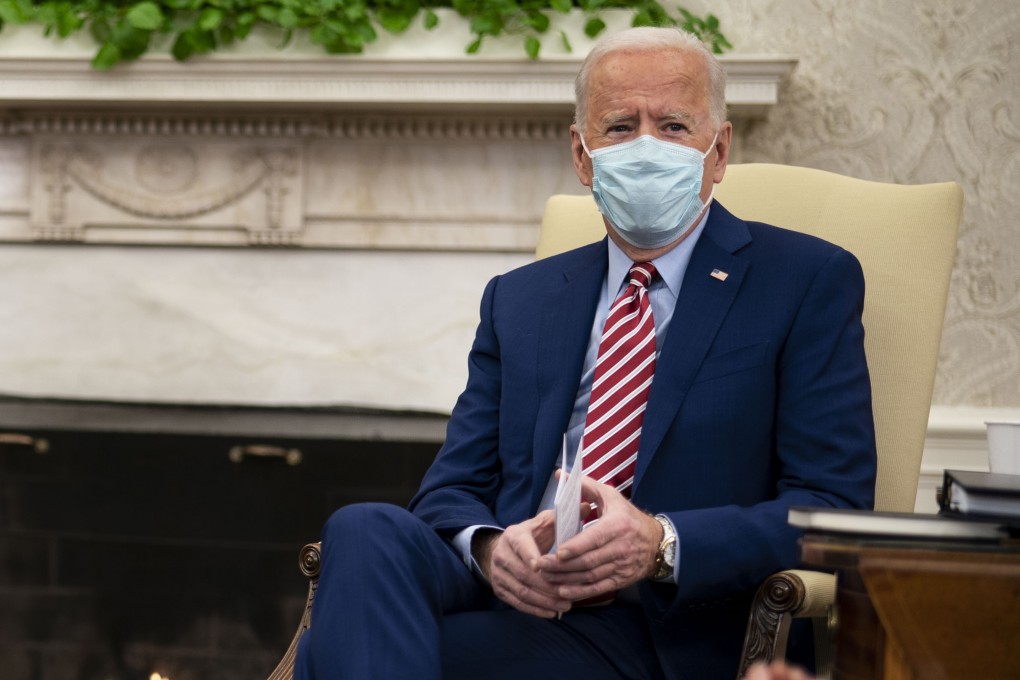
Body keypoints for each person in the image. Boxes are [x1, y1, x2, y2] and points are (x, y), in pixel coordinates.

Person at [295, 26, 876, 680]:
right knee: (364, 528)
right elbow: (451, 490)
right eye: (621, 126)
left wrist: (661, 544)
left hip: (656, 623)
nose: (647, 146)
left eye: (675, 125)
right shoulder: (520, 297)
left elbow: (835, 508)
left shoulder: (803, 280)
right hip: (512, 590)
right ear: (582, 153)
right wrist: (491, 551)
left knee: (328, 655)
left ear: (719, 152)